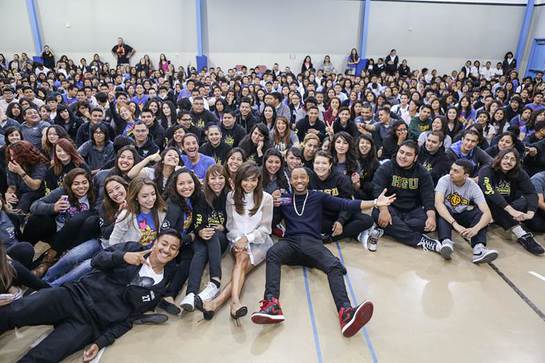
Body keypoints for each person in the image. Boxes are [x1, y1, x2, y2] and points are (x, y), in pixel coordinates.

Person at [250, 167, 394, 337]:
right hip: (291, 244)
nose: (299, 181)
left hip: (312, 244)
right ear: (290, 181)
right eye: (295, 178)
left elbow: (346, 204)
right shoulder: (285, 199)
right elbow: (271, 221)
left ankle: (346, 313)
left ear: (308, 180)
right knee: (273, 253)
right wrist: (270, 202)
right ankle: (272, 305)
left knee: (334, 266)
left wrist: (376, 203)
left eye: (302, 177)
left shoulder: (318, 196)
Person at [0, 229, 181, 363]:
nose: (167, 250)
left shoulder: (158, 287)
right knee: (14, 312)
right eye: (164, 243)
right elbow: (96, 261)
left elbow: (128, 320)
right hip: (72, 295)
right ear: (155, 242)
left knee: (42, 357)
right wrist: (122, 257)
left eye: (173, 248)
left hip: (88, 324)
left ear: (176, 253)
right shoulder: (132, 248)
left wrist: (101, 342)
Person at [214, 162, 274, 321]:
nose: (249, 184)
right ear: (239, 180)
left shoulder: (266, 199)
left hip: (260, 242)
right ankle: (234, 302)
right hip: (236, 239)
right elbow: (230, 225)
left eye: (253, 180)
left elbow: (266, 228)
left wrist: (247, 239)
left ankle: (216, 303)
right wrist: (239, 239)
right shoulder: (231, 197)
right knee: (242, 259)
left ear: (258, 180)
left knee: (242, 265)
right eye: (245, 180)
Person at [371, 141, 452, 257]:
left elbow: (428, 196)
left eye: (408, 154)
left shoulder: (423, 173)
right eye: (401, 152)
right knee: (376, 212)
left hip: (413, 212)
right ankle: (421, 240)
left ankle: (392, 229)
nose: (403, 156)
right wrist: (384, 210)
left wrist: (431, 217)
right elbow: (377, 190)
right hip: (390, 208)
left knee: (433, 218)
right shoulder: (386, 167)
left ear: (415, 157)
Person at [43, 176, 129, 286]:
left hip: (114, 251)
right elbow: (105, 233)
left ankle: (51, 287)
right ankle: (44, 279)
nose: (115, 193)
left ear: (126, 186)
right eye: (110, 191)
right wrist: (118, 217)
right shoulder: (106, 205)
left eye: (118, 188)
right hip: (101, 242)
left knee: (84, 267)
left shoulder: (137, 206)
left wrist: (125, 215)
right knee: (71, 256)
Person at [25, 168, 100, 277]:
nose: (81, 187)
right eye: (76, 184)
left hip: (75, 237)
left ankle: (47, 260)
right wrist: (53, 207)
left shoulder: (94, 195)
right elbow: (34, 206)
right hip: (57, 231)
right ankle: (24, 249)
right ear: (70, 185)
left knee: (79, 220)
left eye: (85, 183)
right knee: (36, 219)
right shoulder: (62, 192)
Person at [179, 165, 230, 318]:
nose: (217, 181)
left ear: (226, 179)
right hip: (202, 235)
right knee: (200, 252)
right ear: (207, 180)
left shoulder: (229, 195)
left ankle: (215, 281)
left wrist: (224, 227)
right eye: (213, 178)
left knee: (213, 235)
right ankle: (191, 293)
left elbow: (235, 220)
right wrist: (200, 231)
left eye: (220, 177)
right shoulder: (202, 196)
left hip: (219, 236)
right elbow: (197, 219)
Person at [478, 148, 544, 255]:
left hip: (510, 205)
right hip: (488, 204)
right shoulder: (486, 170)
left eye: (512, 159)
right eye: (506, 158)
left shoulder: (519, 173)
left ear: (516, 162)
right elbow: (490, 192)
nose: (508, 162)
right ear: (499, 158)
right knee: (496, 203)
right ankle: (522, 234)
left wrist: (531, 212)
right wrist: (510, 210)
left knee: (525, 201)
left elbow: (531, 192)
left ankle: (498, 219)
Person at [434, 160, 497, 263]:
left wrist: (475, 229)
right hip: (447, 214)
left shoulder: (473, 186)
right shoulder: (444, 180)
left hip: (461, 214)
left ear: (466, 175)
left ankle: (478, 249)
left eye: (456, 171)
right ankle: (446, 243)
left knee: (480, 214)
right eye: (451, 169)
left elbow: (487, 214)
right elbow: (438, 203)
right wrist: (455, 224)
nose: (451, 172)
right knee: (443, 211)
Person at [109, 177, 166, 247]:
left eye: (153, 194)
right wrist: (126, 255)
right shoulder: (126, 215)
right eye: (145, 196)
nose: (151, 199)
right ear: (136, 197)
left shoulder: (160, 211)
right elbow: (113, 241)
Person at [5, 140, 49, 212]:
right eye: (11, 155)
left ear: (23, 155)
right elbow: (12, 186)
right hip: (21, 191)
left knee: (26, 197)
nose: (12, 158)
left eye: (14, 155)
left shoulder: (39, 163)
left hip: (39, 193)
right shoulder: (12, 163)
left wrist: (20, 172)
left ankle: (19, 219)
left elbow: (35, 186)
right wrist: (9, 193)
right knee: (11, 200)